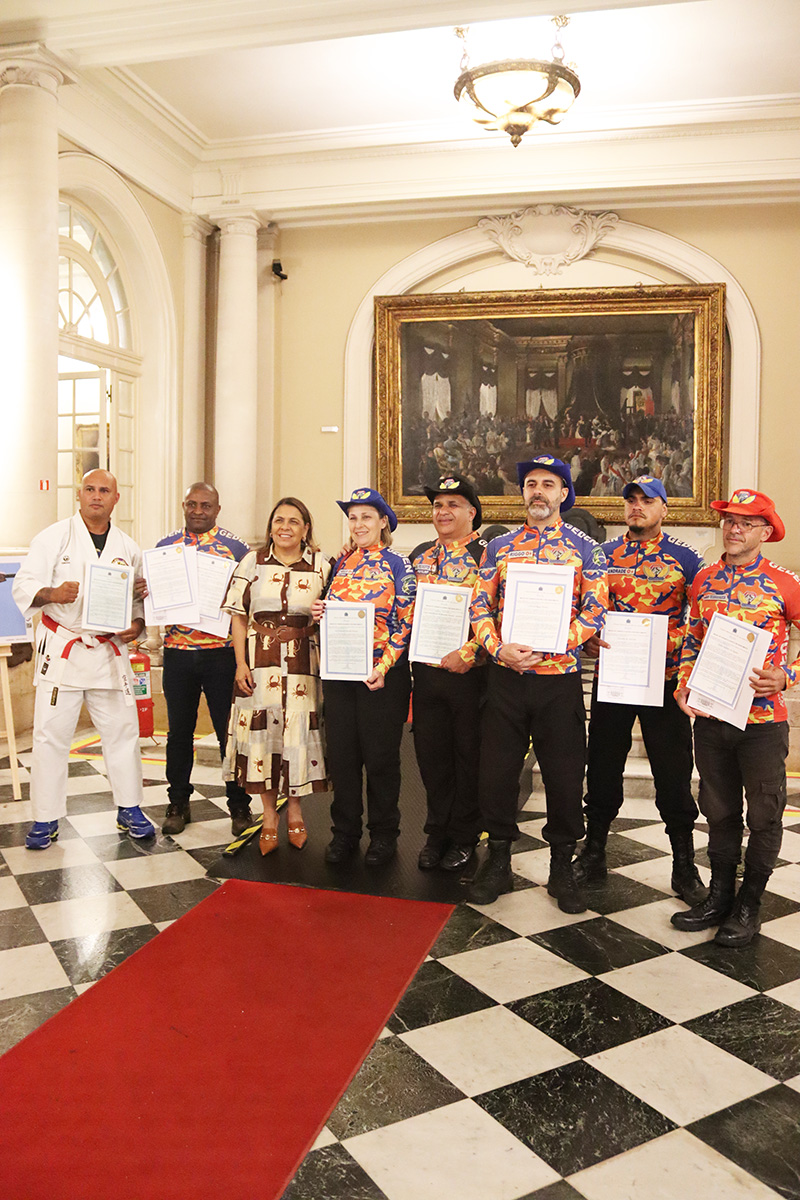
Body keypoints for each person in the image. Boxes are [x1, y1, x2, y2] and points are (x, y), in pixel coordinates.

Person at [468, 456, 608, 912]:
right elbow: (479, 607)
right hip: (506, 678)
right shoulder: (499, 546)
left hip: (558, 681)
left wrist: (558, 643)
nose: (539, 492)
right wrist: (496, 646)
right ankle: (500, 861)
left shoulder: (586, 549)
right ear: (522, 492)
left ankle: (561, 865)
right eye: (531, 484)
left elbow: (595, 611)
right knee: (497, 773)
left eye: (549, 484)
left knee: (566, 776)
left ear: (565, 493)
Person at [672, 488, 800, 946]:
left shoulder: (785, 583)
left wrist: (787, 675)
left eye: (746, 522)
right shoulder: (704, 579)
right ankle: (720, 895)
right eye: (729, 520)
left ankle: (749, 904)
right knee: (719, 810)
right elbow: (691, 639)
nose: (734, 528)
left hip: (763, 723)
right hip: (712, 715)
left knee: (764, 815)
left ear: (765, 531)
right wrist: (684, 682)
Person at [575, 476, 707, 904]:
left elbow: (701, 617)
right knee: (603, 765)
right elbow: (589, 608)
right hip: (615, 676)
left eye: (646, 501)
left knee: (672, 771)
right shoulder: (604, 555)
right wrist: (590, 634)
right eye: (630, 500)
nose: (636, 507)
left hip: (666, 681)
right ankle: (594, 851)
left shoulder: (686, 558)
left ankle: (683, 864)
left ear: (664, 509)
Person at [13, 469, 155, 848]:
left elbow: (140, 602)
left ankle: (130, 809)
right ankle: (45, 818)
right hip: (64, 651)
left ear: (115, 498)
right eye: (90, 489)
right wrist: (52, 593)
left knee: (123, 733)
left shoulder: (128, 547)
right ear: (79, 495)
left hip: (109, 652)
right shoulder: (53, 538)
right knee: (50, 737)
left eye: (104, 490)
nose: (96, 496)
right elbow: (23, 586)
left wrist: (137, 625)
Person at [312, 488, 416, 867]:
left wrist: (383, 667)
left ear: (383, 521)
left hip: (380, 678)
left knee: (381, 759)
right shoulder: (340, 565)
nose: (358, 525)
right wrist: (320, 611)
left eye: (366, 517)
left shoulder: (398, 565)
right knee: (343, 757)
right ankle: (345, 833)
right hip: (341, 676)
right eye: (353, 518)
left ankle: (384, 835)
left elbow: (405, 622)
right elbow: (328, 615)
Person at [223, 498, 330, 855]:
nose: (285, 527)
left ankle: (296, 812)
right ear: (271, 526)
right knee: (264, 736)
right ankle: (269, 816)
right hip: (259, 661)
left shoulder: (321, 565)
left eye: (294, 521)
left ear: (306, 528)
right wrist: (240, 663)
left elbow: (335, 612)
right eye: (279, 520)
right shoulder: (252, 562)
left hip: (303, 666)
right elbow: (238, 615)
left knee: (296, 738)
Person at [157, 483, 251, 837]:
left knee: (230, 733)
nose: (198, 510)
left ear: (217, 508)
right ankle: (178, 801)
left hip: (221, 654)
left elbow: (247, 600)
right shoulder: (165, 547)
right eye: (193, 504)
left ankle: (238, 804)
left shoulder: (236, 548)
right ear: (184, 505)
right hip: (177, 653)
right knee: (179, 732)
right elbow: (153, 592)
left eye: (206, 505)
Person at [411, 475, 486, 872]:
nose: (443, 512)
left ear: (472, 512)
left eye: (453, 504)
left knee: (467, 757)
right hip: (426, 674)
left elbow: (500, 611)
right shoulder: (420, 555)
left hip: (469, 675)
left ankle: (464, 836)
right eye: (438, 505)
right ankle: (436, 830)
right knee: (432, 757)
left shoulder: (488, 554)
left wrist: (471, 652)